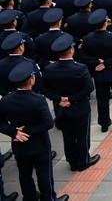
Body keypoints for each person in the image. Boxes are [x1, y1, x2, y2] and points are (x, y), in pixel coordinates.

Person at [0, 61, 68, 201]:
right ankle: (48, 198)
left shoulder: (6, 100)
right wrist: (29, 131)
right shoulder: (37, 100)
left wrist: (14, 132)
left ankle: (29, 197)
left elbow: (1, 122)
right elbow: (48, 123)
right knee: (44, 175)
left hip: (19, 144)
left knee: (24, 174)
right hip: (40, 144)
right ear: (32, 80)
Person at [40, 34, 99, 172]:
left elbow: (44, 88)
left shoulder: (49, 69)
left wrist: (59, 99)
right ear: (71, 50)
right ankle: (83, 161)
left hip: (61, 108)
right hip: (80, 107)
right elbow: (89, 87)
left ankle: (72, 161)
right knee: (82, 135)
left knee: (68, 135)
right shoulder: (80, 68)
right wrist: (71, 99)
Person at [79, 9, 112, 133]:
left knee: (102, 98)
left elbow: (83, 56)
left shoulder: (87, 39)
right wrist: (107, 63)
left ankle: (104, 123)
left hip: (99, 73)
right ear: (106, 22)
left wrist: (98, 62)